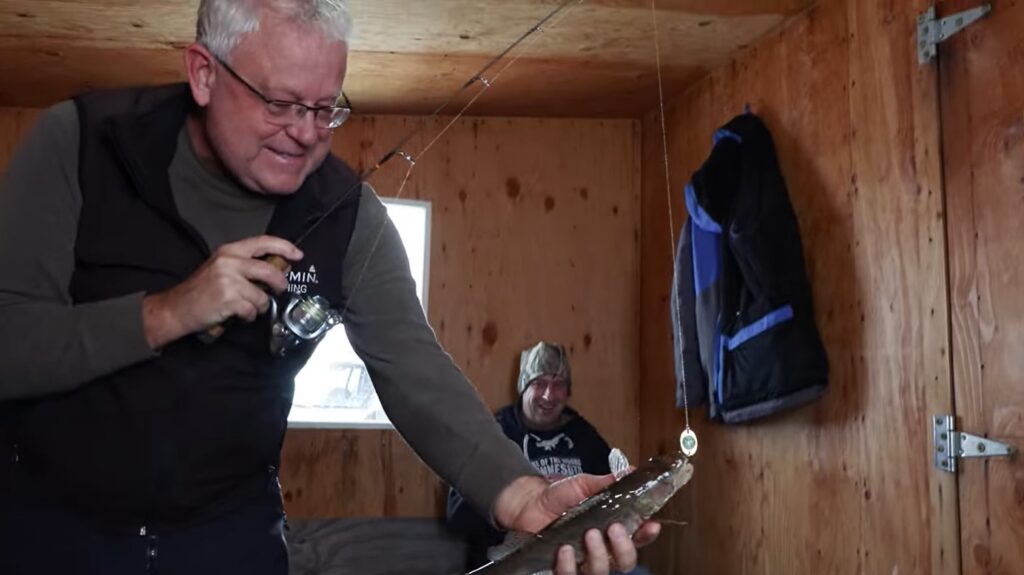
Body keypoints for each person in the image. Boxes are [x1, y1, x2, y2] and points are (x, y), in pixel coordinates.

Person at [0, 1, 659, 574]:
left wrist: (517, 492)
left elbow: (415, 368)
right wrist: (169, 312)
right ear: (203, 72)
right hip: (52, 531)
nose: (307, 133)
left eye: (326, 107)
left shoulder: (349, 216)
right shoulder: (81, 144)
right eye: (281, 103)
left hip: (230, 542)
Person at [447, 341, 622, 572]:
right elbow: (457, 515)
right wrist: (518, 499)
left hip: (574, 561)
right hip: (509, 562)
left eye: (558, 384)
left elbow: (612, 498)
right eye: (539, 383)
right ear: (523, 388)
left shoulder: (585, 437)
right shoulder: (495, 434)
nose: (549, 395)